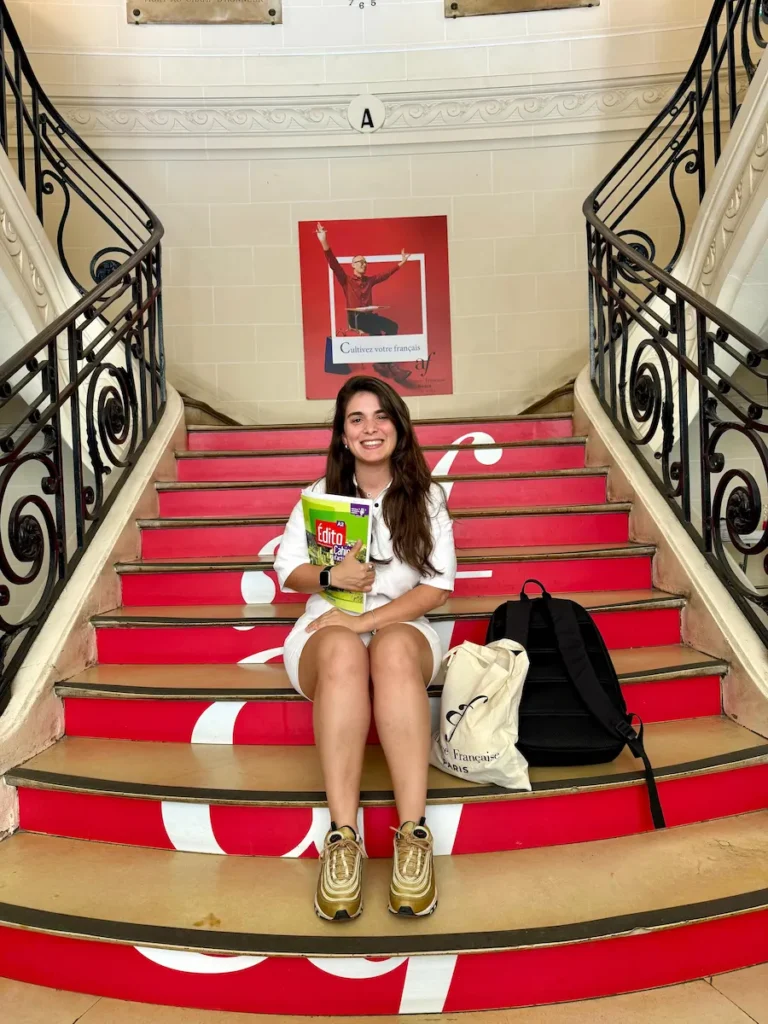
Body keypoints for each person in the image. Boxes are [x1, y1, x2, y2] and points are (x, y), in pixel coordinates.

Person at [274, 375, 457, 922]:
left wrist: (368, 620)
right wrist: (331, 575)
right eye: (356, 419)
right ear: (342, 433)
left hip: (401, 627)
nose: (370, 428)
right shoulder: (320, 496)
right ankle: (343, 839)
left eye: (381, 416)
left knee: (391, 648)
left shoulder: (426, 497)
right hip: (329, 630)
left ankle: (413, 836)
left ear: (398, 426)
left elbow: (437, 588)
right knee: (342, 649)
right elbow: (287, 570)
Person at [316, 222, 413, 385]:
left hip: (369, 316)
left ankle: (382, 363)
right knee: (376, 332)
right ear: (353, 265)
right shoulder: (346, 280)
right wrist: (324, 241)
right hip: (356, 319)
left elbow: (384, 275)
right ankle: (392, 367)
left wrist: (400, 264)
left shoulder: (369, 280)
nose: (363, 264)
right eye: (360, 262)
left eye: (365, 262)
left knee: (392, 326)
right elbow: (333, 263)